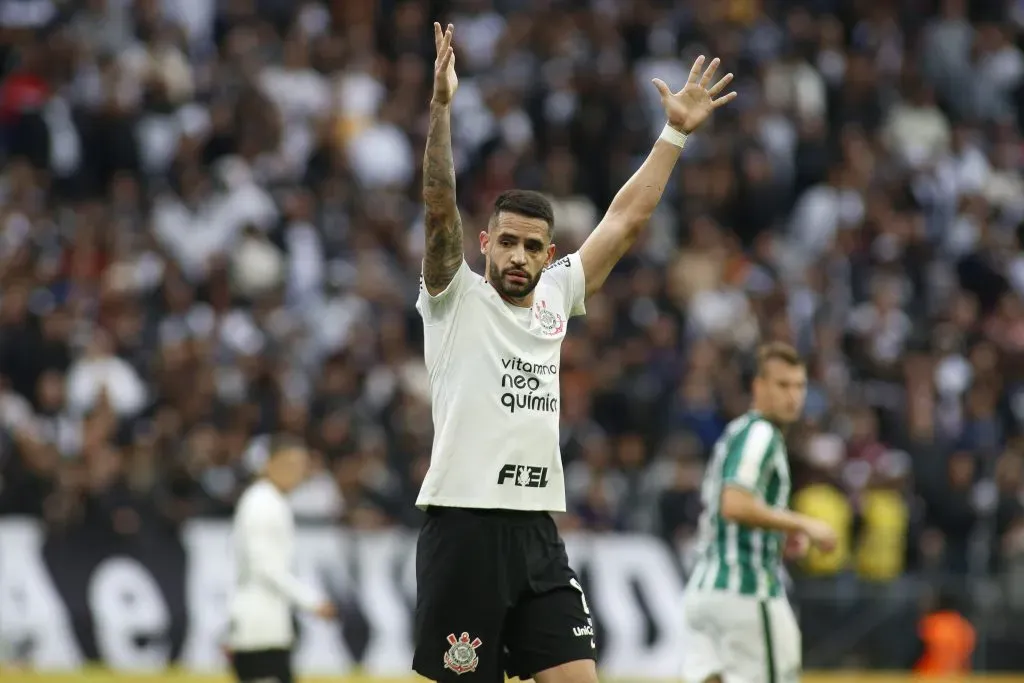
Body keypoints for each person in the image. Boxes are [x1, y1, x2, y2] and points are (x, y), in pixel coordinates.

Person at [413, 21, 737, 683]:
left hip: (536, 530)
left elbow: (625, 220)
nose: (518, 255)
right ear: (485, 243)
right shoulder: (455, 296)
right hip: (467, 527)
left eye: (533, 246)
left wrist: (673, 134)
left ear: (548, 255)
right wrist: (442, 110)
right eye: (507, 242)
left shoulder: (557, 295)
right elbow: (438, 206)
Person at [681, 342, 839, 683]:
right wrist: (805, 523)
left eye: (800, 386)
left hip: (704, 591)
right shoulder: (761, 434)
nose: (793, 396)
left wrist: (779, 537)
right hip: (747, 592)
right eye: (783, 385)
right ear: (758, 386)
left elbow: (730, 515)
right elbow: (735, 503)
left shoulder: (736, 432)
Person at [227, 435, 336, 683]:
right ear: (270, 464)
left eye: (301, 466)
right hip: (258, 629)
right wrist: (312, 601)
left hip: (268, 627)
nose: (297, 473)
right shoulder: (262, 503)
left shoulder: (269, 500)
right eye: (290, 465)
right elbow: (264, 567)